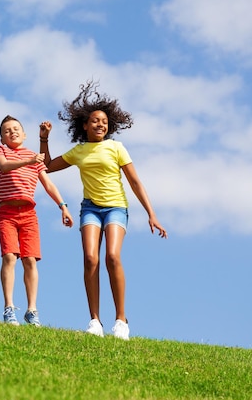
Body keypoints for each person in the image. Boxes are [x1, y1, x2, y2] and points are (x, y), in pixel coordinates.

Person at [39, 81, 167, 339]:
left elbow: (134, 182)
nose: (101, 124)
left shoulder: (116, 147)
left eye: (105, 121)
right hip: (90, 208)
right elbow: (48, 166)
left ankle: (121, 320)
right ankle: (95, 321)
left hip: (116, 208)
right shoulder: (79, 151)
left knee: (111, 257)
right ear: (84, 125)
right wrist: (44, 139)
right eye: (95, 121)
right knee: (90, 259)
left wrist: (151, 214)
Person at [0, 115, 74, 326]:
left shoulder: (33, 157)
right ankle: (9, 308)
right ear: (2, 138)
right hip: (7, 212)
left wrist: (63, 206)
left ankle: (31, 310)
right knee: (9, 257)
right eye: (7, 130)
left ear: (24, 134)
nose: (12, 132)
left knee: (29, 260)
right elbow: (6, 167)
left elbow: (48, 184)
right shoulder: (2, 151)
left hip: (29, 214)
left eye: (16, 128)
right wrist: (30, 160)